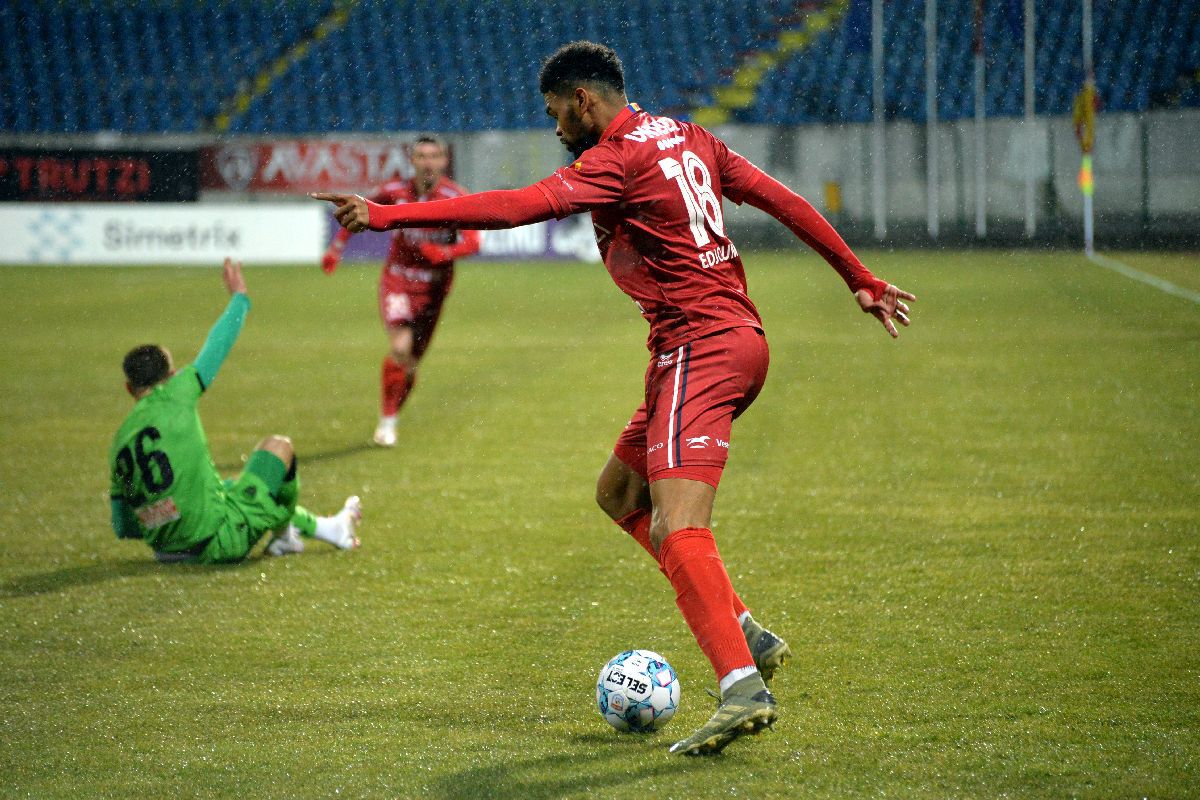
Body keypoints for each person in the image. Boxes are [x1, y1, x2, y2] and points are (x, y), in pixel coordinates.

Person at [314, 41, 914, 755]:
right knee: (621, 493)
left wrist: (382, 218)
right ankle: (746, 629)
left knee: (678, 529)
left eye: (556, 114)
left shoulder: (614, 160)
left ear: (584, 102)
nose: (556, 129)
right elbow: (781, 199)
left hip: (700, 347)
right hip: (724, 343)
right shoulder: (690, 136)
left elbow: (516, 207)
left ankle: (741, 686)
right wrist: (858, 277)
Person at [109, 257, 363, 564]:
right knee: (278, 448)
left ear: (129, 389)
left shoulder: (120, 443)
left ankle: (328, 529)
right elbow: (217, 345)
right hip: (215, 543)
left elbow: (123, 527)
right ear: (172, 375)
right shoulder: (178, 392)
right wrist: (239, 298)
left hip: (165, 554)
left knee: (227, 488)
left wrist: (166, 517)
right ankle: (284, 537)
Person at [320, 134, 482, 447]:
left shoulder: (455, 196)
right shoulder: (394, 192)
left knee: (410, 364)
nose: (428, 163)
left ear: (444, 161)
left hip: (434, 288)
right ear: (412, 160)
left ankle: (391, 414)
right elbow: (356, 211)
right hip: (398, 279)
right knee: (400, 348)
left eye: (434, 156)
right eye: (422, 156)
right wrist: (336, 249)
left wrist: (445, 254)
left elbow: (474, 241)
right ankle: (387, 421)